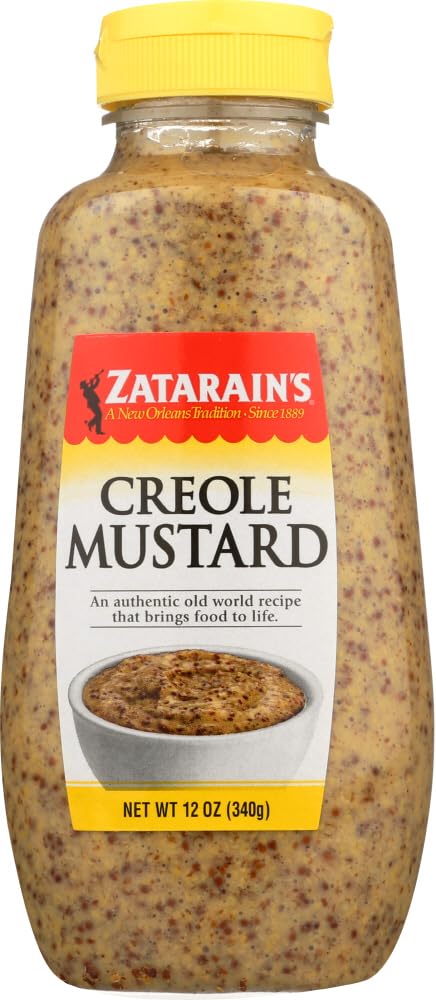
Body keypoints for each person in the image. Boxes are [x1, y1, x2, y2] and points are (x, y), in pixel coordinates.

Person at [80, 370, 105, 435]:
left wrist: (97, 378)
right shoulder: (85, 392)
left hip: (94, 404)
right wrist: (92, 382)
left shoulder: (88, 389)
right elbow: (92, 388)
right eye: (85, 383)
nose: (86, 383)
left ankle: (92, 425)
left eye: (86, 383)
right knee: (99, 415)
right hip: (92, 404)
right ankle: (94, 427)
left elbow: (95, 385)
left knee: (98, 415)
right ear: (84, 386)